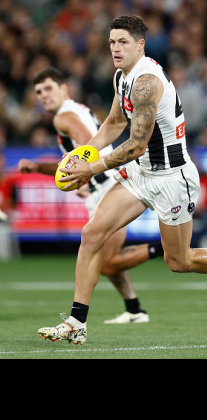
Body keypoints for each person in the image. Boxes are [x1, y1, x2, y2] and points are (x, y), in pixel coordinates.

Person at [38, 16, 207, 345]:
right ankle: (77, 322)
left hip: (173, 177)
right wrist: (83, 154)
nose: (116, 48)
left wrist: (92, 168)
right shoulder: (122, 76)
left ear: (140, 45)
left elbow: (136, 144)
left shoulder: (146, 81)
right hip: (141, 172)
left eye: (123, 42)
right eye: (112, 42)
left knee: (179, 261)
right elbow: (114, 124)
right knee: (92, 234)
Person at [19, 67, 164, 325]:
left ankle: (164, 248)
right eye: (38, 92)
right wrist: (41, 168)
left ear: (64, 88)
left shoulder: (62, 118)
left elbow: (86, 147)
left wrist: (84, 173)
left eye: (49, 88)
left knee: (106, 262)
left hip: (107, 185)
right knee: (105, 255)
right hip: (104, 184)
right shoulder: (78, 109)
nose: (43, 95)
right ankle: (134, 309)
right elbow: (77, 156)